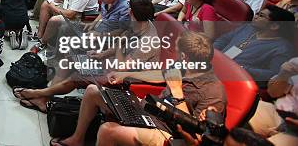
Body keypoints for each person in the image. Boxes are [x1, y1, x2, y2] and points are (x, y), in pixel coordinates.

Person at [50, 31, 227, 146]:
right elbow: (159, 75)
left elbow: (196, 138)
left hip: (169, 133)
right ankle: (77, 139)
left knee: (108, 130)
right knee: (92, 91)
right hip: (151, 111)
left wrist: (178, 94)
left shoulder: (213, 92)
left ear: (185, 57)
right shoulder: (184, 66)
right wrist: (125, 75)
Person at [14, 0, 159, 113]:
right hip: (114, 65)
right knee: (70, 59)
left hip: (125, 79)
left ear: (131, 12)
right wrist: (102, 55)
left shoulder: (147, 42)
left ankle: (39, 94)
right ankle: (44, 98)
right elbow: (119, 45)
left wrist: (116, 49)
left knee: (76, 77)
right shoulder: (141, 22)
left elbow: (120, 70)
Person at [214, 6, 295, 83]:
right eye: (257, 13)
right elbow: (224, 39)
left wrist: (243, 69)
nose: (255, 17)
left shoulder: (283, 49)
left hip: (234, 78)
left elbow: (273, 75)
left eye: (261, 16)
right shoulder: (248, 27)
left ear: (274, 26)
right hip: (215, 64)